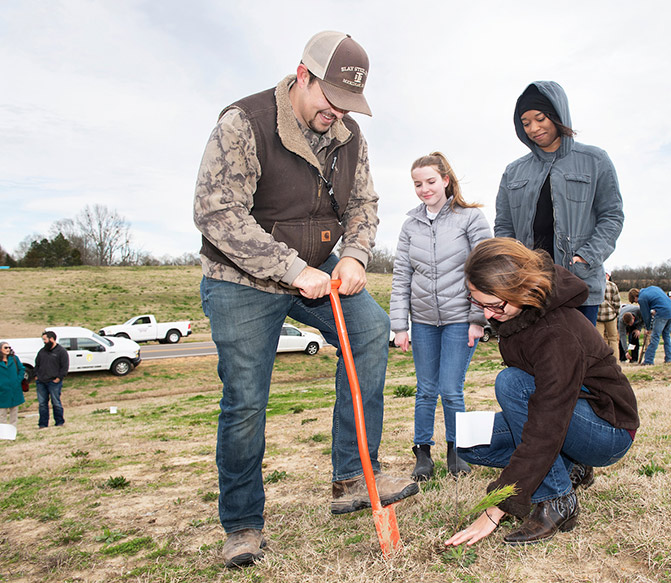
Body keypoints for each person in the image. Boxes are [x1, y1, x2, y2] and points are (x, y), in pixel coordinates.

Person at [193, 31, 417, 568]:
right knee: (246, 398)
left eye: (347, 104)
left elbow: (364, 204)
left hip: (318, 273)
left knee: (369, 332)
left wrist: (356, 256)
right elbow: (217, 213)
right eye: (329, 98)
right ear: (302, 76)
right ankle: (243, 523)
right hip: (241, 279)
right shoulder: (242, 124)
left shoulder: (349, 136)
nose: (336, 112)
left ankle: (352, 478)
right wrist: (293, 269)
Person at [445, 238, 638, 547]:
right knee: (467, 439)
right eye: (479, 304)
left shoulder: (556, 333)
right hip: (562, 413)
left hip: (608, 429)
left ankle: (557, 500)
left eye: (494, 305)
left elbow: (547, 423)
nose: (489, 315)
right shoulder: (519, 314)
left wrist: (499, 504)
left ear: (518, 288)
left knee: (511, 384)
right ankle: (571, 468)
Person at [389, 152, 492, 481]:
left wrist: (479, 319)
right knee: (425, 389)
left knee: (450, 388)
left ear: (446, 180)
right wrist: (398, 326)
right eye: (417, 184)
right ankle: (422, 452)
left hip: (460, 318)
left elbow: (486, 268)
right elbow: (401, 276)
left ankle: (457, 450)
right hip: (422, 322)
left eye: (430, 182)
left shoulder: (471, 219)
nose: (424, 189)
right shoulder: (410, 225)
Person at [494, 81, 624, 326]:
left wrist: (585, 257)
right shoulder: (513, 172)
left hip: (577, 284)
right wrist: (512, 267)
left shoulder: (595, 160)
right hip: (528, 287)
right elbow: (503, 227)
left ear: (557, 114)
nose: (533, 128)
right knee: (533, 359)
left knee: (579, 358)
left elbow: (612, 216)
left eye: (540, 118)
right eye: (525, 123)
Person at [637, 286, 671, 365]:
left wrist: (648, 328)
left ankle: (648, 360)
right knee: (666, 336)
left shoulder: (641, 298)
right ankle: (669, 358)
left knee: (655, 336)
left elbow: (646, 315)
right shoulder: (653, 288)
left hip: (662, 313)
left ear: (635, 297)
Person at [34, 331, 68, 428]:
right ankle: (43, 424)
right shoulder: (42, 351)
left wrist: (59, 378)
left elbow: (64, 367)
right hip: (41, 382)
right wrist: (36, 375)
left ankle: (59, 422)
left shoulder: (61, 351)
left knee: (56, 403)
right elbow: (37, 364)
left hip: (54, 382)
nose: (44, 341)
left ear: (51, 339)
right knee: (42, 404)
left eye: (45, 339)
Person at [596, 271, 621, 362]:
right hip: (611, 316)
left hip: (598, 316)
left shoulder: (596, 284)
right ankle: (616, 361)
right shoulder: (612, 285)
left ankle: (603, 361)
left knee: (600, 340)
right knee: (613, 339)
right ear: (608, 275)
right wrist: (616, 313)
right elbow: (617, 302)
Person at [0, 343, 26, 429]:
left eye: (9, 347)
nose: (8, 349)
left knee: (14, 413)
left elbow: (22, 369)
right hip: (2, 391)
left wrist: (18, 380)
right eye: (5, 347)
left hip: (14, 389)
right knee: (2, 414)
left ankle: (12, 430)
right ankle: (3, 432)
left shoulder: (14, 358)